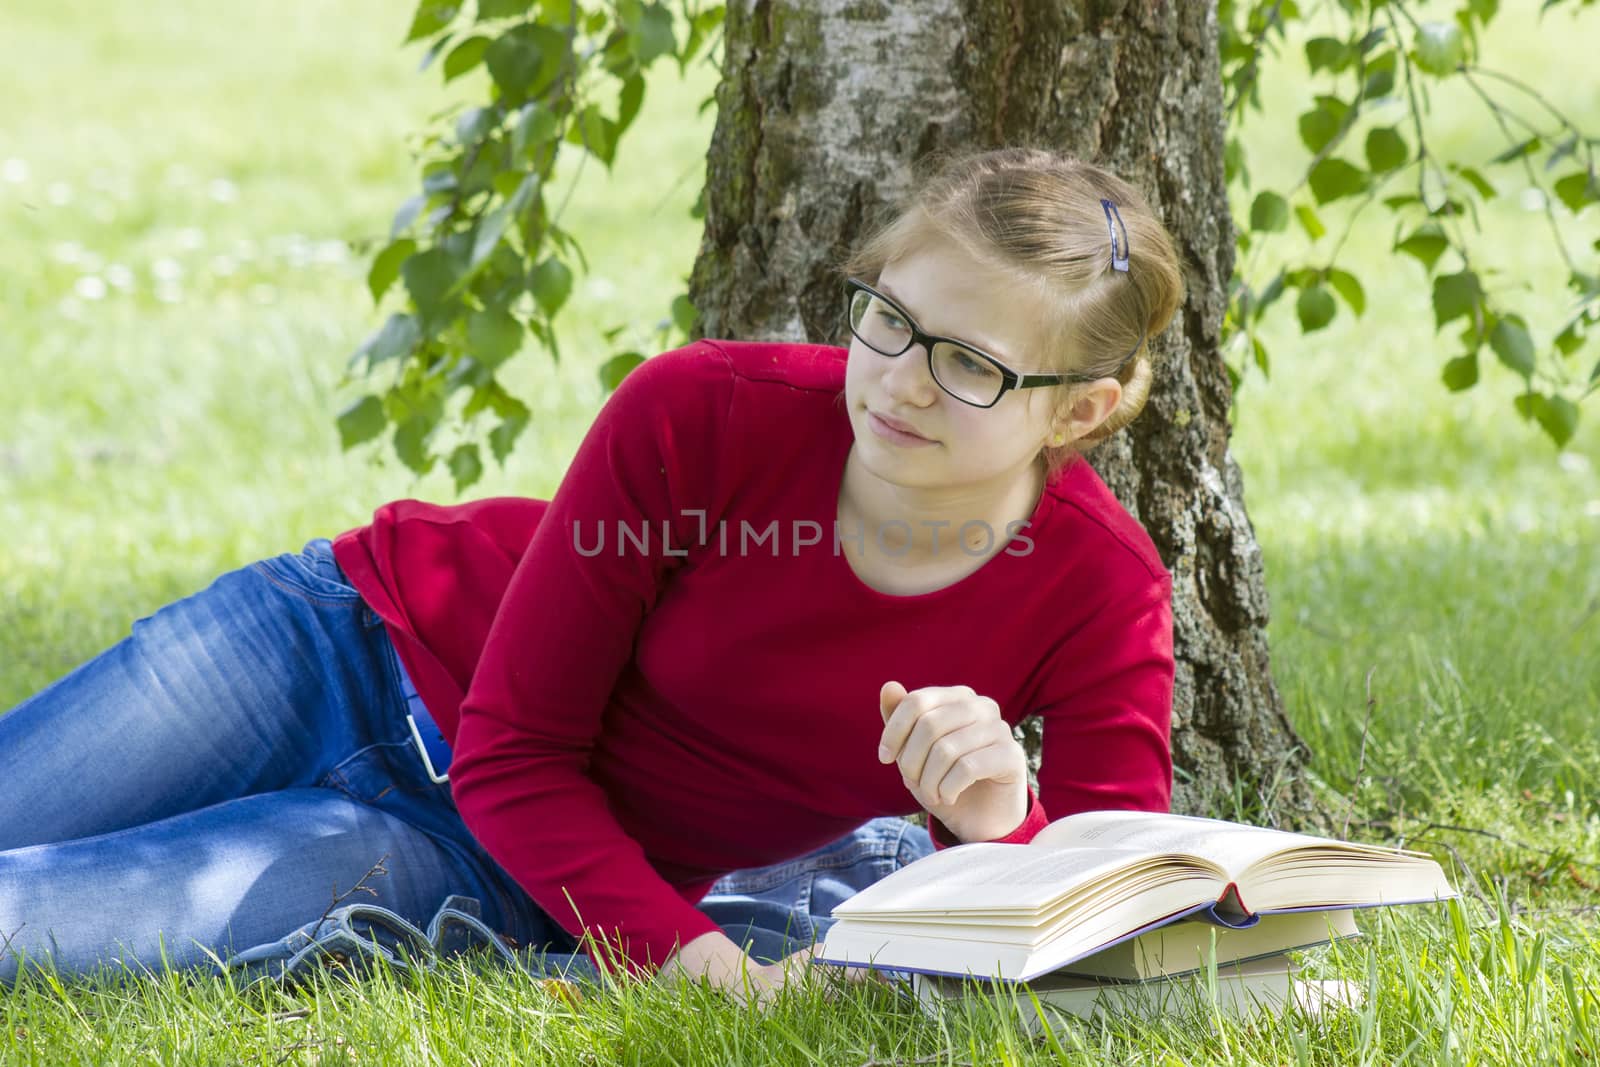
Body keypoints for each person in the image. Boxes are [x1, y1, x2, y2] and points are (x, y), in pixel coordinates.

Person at [0, 146, 1185, 1001]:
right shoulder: (704, 407)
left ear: (1077, 409)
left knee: (26, 926)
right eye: (888, 318)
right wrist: (713, 970)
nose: (899, 381)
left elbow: (1098, 910)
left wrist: (995, 820)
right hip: (336, 641)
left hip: (492, 849)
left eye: (969, 365)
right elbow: (524, 740)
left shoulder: (1098, 587)